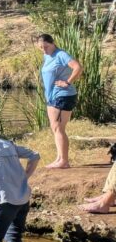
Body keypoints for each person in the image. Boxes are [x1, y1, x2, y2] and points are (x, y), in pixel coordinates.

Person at [35, 33, 82, 169]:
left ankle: (64, 161)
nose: (44, 50)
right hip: (52, 96)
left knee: (59, 128)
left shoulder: (61, 54)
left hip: (63, 95)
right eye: (41, 48)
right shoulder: (47, 56)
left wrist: (67, 82)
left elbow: (77, 67)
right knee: (55, 128)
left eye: (46, 47)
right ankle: (59, 158)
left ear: (53, 43)